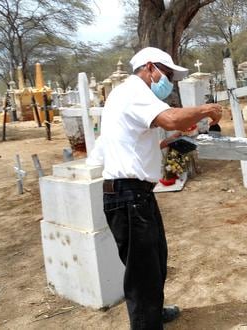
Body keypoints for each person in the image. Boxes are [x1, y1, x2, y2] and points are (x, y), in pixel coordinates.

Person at [88, 47, 222, 329]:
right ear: (150, 67)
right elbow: (172, 117)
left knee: (155, 259)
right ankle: (146, 324)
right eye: (168, 74)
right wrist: (206, 110)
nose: (169, 81)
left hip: (135, 194)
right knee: (142, 272)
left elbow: (142, 143)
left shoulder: (127, 95)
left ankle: (153, 312)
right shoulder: (133, 91)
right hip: (128, 195)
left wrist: (174, 137)